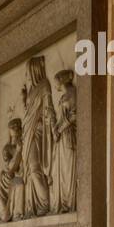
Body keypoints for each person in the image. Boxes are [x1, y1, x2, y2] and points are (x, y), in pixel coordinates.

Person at [19, 56, 55, 217]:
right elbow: (27, 112)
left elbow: (48, 108)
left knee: (35, 169)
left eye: (27, 72)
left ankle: (45, 202)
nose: (26, 75)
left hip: (37, 132)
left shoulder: (44, 85)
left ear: (34, 70)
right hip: (27, 132)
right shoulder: (32, 89)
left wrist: (51, 124)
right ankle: (32, 206)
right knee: (28, 171)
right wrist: (23, 99)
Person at [50, 68, 77, 213]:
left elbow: (74, 116)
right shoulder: (63, 97)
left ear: (61, 81)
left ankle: (69, 203)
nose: (55, 86)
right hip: (61, 138)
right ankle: (62, 204)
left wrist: (59, 129)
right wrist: (55, 128)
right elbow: (62, 118)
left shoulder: (72, 94)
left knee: (68, 171)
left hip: (68, 137)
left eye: (56, 83)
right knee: (60, 172)